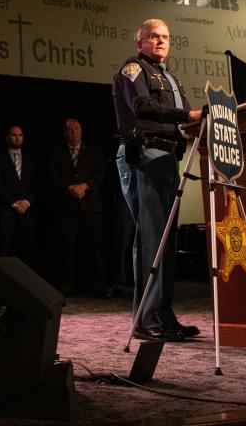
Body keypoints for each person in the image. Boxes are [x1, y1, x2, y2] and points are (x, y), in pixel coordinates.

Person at [113, 18, 202, 342]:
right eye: (153, 37)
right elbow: (141, 106)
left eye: (165, 37)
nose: (160, 41)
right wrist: (187, 117)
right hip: (145, 155)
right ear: (140, 43)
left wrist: (199, 121)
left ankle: (163, 315)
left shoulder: (170, 78)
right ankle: (146, 320)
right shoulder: (133, 69)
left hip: (167, 160)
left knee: (166, 242)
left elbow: (188, 117)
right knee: (151, 239)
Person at [49, 118, 110, 297]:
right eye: (70, 130)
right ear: (65, 133)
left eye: (76, 129)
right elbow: (52, 174)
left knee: (95, 248)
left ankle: (99, 285)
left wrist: (85, 186)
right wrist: (69, 187)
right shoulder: (56, 152)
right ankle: (65, 286)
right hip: (66, 208)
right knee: (66, 248)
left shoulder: (94, 151)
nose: (73, 132)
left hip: (91, 207)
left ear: (81, 131)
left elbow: (100, 174)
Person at [0, 125, 36, 267]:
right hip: (6, 212)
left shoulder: (31, 159)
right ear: (7, 138)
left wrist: (27, 202)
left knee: (26, 252)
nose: (18, 138)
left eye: (20, 135)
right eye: (14, 135)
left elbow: (37, 184)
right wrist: (13, 203)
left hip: (27, 212)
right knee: (3, 250)